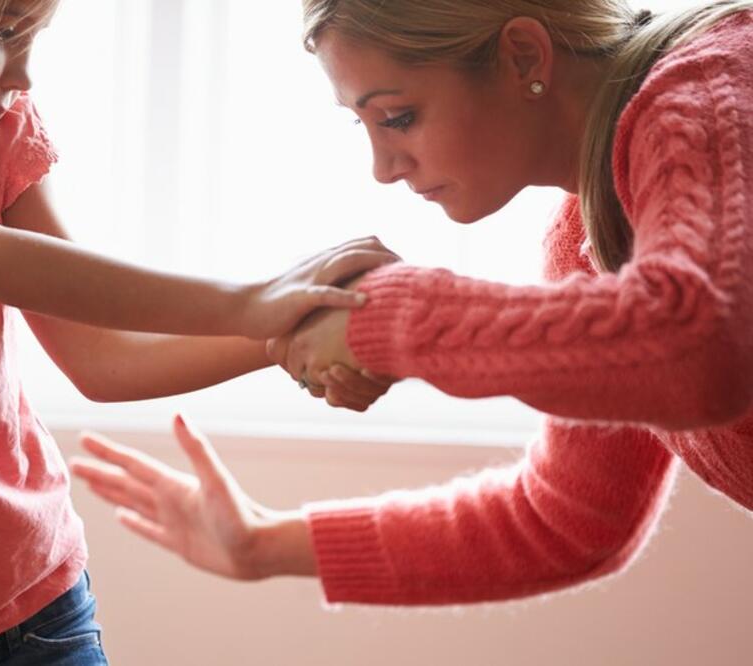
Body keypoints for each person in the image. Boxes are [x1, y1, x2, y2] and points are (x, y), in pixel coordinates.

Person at [0, 0, 399, 663]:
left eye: (34, 38)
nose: (24, 77)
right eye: (4, 33)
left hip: (37, 611)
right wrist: (261, 302)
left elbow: (103, 357)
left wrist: (292, 335)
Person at [72, 0, 753, 610]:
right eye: (366, 124)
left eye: (397, 116)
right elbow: (568, 518)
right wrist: (261, 545)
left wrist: (385, 317)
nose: (382, 167)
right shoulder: (588, 231)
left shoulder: (712, 86)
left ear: (523, 55)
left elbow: (699, 347)